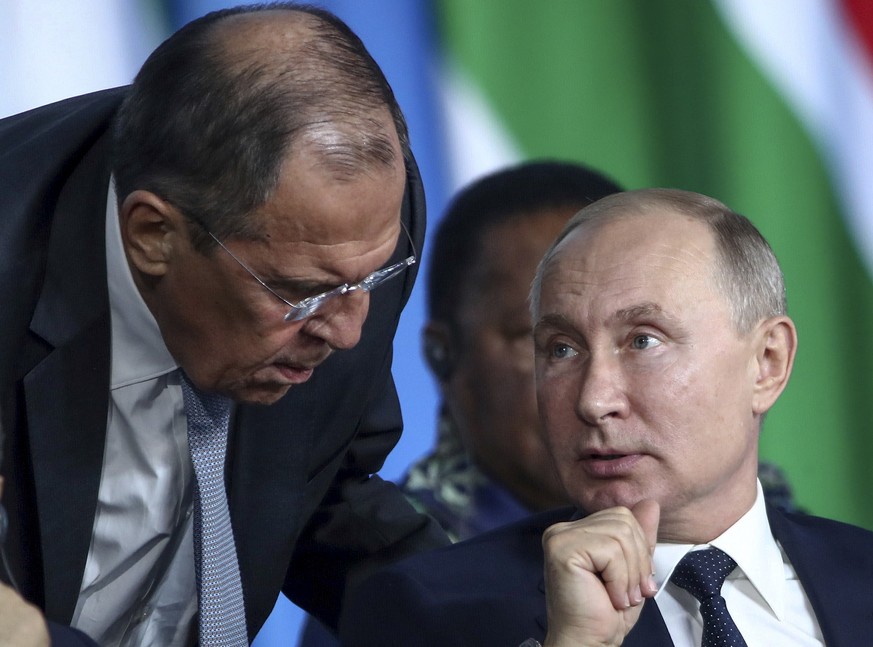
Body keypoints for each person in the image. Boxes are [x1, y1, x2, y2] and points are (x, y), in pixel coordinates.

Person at [0, 4, 449, 646]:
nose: (350, 330)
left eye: (372, 279)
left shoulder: (355, 229)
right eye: (302, 294)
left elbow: (323, 494)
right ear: (153, 235)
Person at [339, 188, 873, 646]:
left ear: (767, 363)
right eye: (562, 349)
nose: (593, 400)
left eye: (643, 341)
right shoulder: (425, 612)